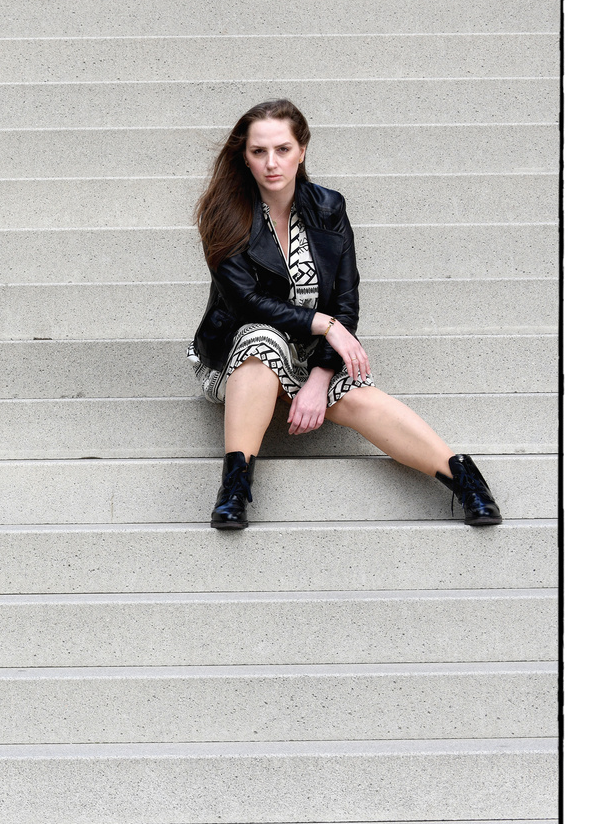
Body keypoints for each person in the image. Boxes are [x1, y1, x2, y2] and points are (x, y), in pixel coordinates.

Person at [185, 99, 502, 530]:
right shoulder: (222, 214)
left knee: (359, 397)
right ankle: (235, 487)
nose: (271, 163)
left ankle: (465, 480)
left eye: (282, 149)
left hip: (312, 351)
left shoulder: (329, 207)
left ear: (302, 150)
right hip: (240, 351)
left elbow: (345, 300)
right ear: (245, 156)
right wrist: (325, 324)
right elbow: (246, 302)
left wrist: (319, 380)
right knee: (262, 339)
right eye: (259, 151)